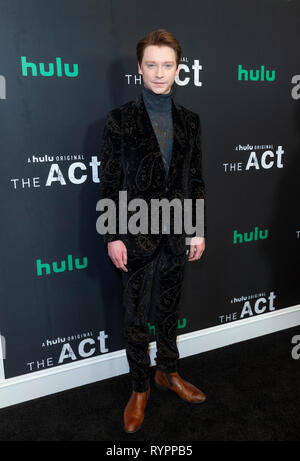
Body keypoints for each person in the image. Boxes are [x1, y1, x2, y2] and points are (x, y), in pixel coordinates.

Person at [99, 29, 207, 434]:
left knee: (168, 309)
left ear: (179, 69)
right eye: (151, 65)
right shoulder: (119, 119)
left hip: (178, 231)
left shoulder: (191, 122)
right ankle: (140, 387)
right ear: (139, 68)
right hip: (135, 233)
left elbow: (195, 179)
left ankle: (169, 372)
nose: (159, 73)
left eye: (167, 65)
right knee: (135, 314)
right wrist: (112, 235)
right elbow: (109, 182)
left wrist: (196, 230)